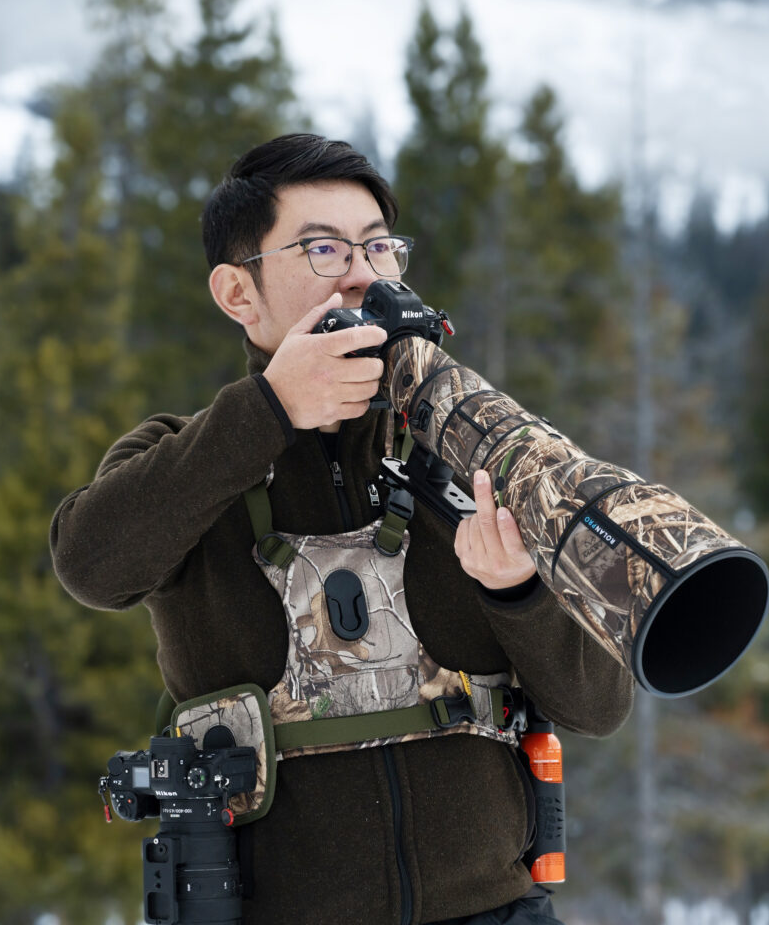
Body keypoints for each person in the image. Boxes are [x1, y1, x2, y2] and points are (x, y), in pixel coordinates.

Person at [51, 133, 634, 925]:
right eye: (322, 248)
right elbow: (89, 564)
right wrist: (269, 412)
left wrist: (519, 592)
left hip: (496, 910)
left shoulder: (472, 459)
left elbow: (599, 704)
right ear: (238, 293)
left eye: (379, 247)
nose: (364, 273)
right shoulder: (185, 459)